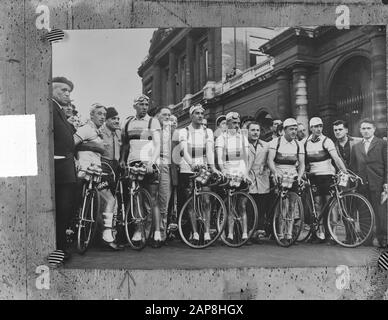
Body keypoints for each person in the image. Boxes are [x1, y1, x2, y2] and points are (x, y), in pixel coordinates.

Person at [74, 104, 121, 251]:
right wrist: (76, 162)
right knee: (110, 200)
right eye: (99, 114)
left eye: (104, 114)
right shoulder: (86, 129)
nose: (102, 116)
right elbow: (71, 143)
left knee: (101, 203)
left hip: (95, 171)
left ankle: (101, 235)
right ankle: (107, 235)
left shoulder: (96, 131)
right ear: (91, 115)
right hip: (87, 171)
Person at [120, 94, 162, 248]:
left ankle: (157, 232)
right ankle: (138, 231)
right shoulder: (128, 122)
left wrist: (152, 162)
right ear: (135, 106)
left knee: (153, 199)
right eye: (141, 104)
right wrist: (123, 160)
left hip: (149, 163)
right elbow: (125, 144)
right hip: (133, 162)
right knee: (136, 197)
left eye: (146, 104)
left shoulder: (153, 121)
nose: (144, 107)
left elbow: (158, 144)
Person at [304, 117, 347, 244]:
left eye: (320, 126)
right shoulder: (306, 142)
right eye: (315, 126)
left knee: (330, 205)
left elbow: (336, 158)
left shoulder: (327, 141)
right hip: (314, 177)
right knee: (317, 205)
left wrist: (344, 171)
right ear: (310, 128)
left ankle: (331, 235)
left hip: (327, 176)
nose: (318, 129)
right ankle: (319, 234)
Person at [179, 104, 218, 244]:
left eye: (202, 113)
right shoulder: (184, 131)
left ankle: (207, 231)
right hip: (188, 169)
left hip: (203, 169)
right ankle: (195, 232)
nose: (201, 116)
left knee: (206, 200)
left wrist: (212, 167)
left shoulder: (208, 132)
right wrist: (191, 164)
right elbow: (183, 150)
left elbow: (209, 151)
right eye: (197, 113)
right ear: (191, 115)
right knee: (191, 202)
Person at [350, 119, 387, 248]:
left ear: (374, 129)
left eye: (368, 128)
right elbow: (353, 167)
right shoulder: (356, 147)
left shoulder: (382, 144)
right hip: (362, 184)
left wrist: (386, 183)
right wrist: (354, 183)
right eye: (363, 128)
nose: (366, 131)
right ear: (360, 130)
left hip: (378, 182)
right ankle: (367, 239)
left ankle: (383, 239)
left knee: (380, 212)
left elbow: (387, 165)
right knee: (364, 212)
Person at [267, 118, 305, 244]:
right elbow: (270, 160)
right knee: (281, 206)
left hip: (292, 175)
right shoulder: (275, 142)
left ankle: (289, 234)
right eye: (291, 129)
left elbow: (302, 164)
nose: (294, 132)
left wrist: (299, 176)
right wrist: (275, 173)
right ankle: (280, 233)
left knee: (292, 206)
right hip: (279, 175)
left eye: (295, 129)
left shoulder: (298, 144)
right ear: (284, 130)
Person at [52, 77, 77, 259]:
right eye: (63, 90)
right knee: (61, 209)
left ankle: (60, 246)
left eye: (69, 91)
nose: (67, 93)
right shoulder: (50, 108)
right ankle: (58, 247)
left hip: (66, 167)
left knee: (66, 208)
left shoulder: (59, 110)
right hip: (58, 167)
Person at [215, 111, 250, 241]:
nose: (236, 125)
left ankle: (244, 233)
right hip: (229, 172)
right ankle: (230, 233)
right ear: (228, 123)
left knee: (242, 205)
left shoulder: (242, 138)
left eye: (238, 123)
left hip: (241, 173)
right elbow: (219, 159)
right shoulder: (221, 138)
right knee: (230, 205)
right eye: (234, 123)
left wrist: (245, 173)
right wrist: (223, 170)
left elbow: (246, 158)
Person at [247, 121, 270, 243]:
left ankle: (257, 233)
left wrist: (265, 165)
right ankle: (249, 233)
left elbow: (271, 159)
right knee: (250, 207)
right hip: (250, 179)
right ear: (248, 132)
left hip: (262, 179)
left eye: (257, 130)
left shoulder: (265, 145)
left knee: (261, 207)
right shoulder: (244, 145)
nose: (256, 133)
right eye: (253, 130)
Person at [156, 107, 173, 243]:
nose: (167, 117)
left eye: (169, 115)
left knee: (164, 199)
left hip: (167, 165)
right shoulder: (153, 129)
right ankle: (150, 231)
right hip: (154, 163)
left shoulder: (173, 131)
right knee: (151, 200)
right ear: (158, 116)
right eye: (164, 115)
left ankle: (162, 233)